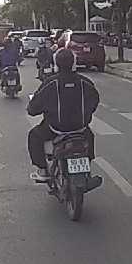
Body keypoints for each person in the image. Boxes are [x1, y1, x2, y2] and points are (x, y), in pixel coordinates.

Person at [27, 48, 102, 188]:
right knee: (89, 136)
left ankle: (43, 170)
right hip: (80, 129)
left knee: (34, 136)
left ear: (56, 63)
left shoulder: (50, 83)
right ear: (74, 63)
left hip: (55, 129)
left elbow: (33, 109)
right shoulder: (85, 82)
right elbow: (94, 102)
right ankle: (87, 168)